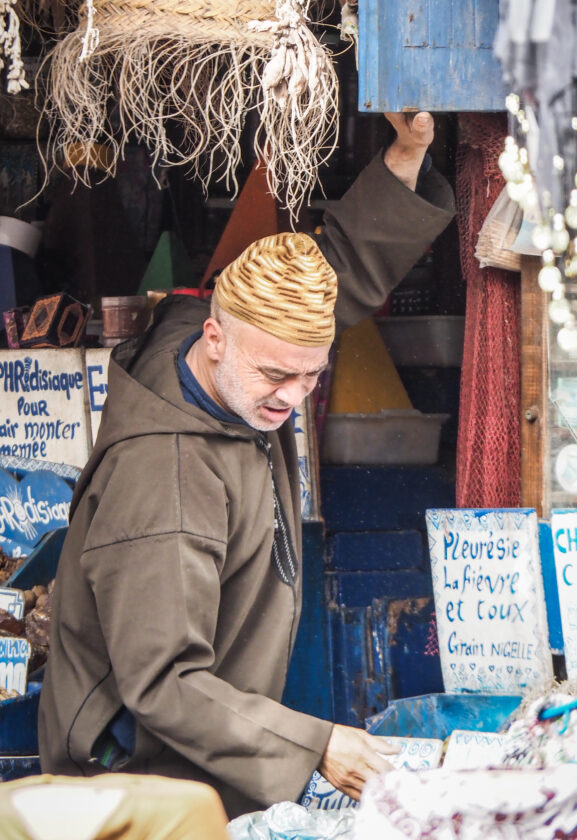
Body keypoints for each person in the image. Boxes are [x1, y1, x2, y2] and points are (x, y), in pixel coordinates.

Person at [38, 112, 455, 819]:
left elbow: (330, 280)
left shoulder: (212, 338)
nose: (292, 399)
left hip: (203, 757)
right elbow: (163, 681)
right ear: (213, 339)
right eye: (275, 376)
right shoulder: (165, 479)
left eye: (311, 377)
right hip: (138, 787)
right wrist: (317, 743)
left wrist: (406, 154)